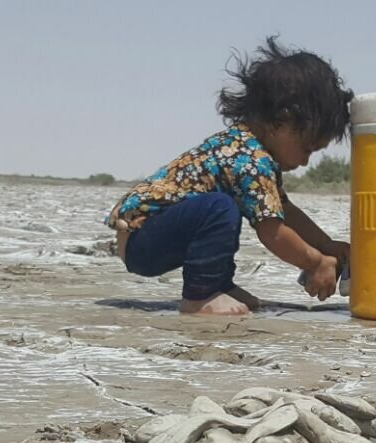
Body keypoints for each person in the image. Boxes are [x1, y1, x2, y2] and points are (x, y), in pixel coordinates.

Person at [107, 37, 353, 316]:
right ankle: (201, 295)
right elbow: (272, 232)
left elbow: (285, 211)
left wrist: (327, 245)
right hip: (143, 241)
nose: (306, 161)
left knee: (221, 208)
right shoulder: (249, 159)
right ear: (281, 122)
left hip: (148, 237)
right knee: (218, 208)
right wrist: (314, 262)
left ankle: (218, 283)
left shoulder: (251, 150)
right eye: (307, 148)